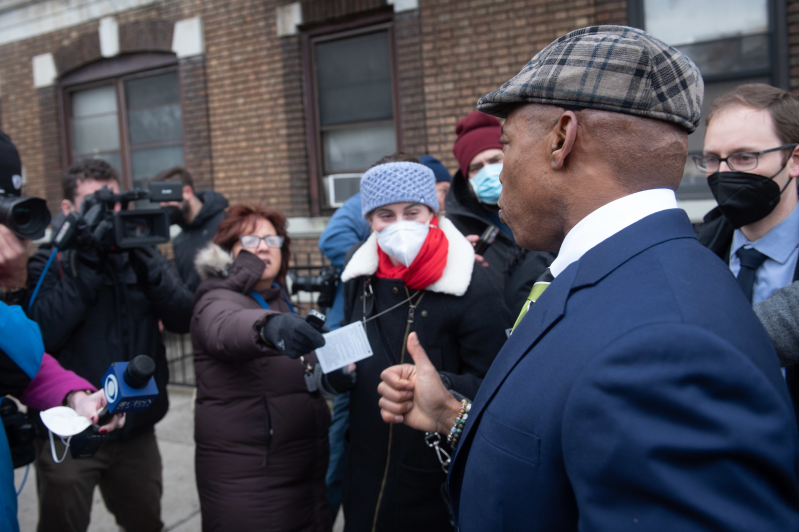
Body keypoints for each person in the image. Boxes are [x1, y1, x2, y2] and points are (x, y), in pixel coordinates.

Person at [377, 25, 799, 531]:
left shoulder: (667, 343)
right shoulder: (621, 272)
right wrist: (452, 414)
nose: (500, 174)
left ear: (562, 138)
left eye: (507, 144)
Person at [335, 155, 511, 531]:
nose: (399, 225)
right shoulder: (359, 273)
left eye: (411, 212)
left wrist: (440, 386)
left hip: (430, 481)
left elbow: (498, 385)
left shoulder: (470, 283)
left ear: (432, 211)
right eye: (385, 215)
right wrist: (333, 372)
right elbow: (350, 338)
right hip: (363, 471)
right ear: (369, 220)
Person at [25, 158, 194, 532]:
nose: (108, 213)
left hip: (136, 430)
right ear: (68, 208)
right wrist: (86, 267)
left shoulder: (142, 255)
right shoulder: (50, 262)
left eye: (114, 203)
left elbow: (184, 319)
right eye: (94, 204)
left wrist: (145, 261)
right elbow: (39, 337)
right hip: (69, 431)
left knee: (145, 523)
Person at [0, 132, 124, 532]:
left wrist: (75, 396)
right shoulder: (49, 261)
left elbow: (23, 363)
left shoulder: (132, 254)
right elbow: (40, 336)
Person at [191, 204, 334, 531]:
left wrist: (330, 375)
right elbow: (226, 327)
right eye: (250, 240)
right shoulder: (215, 297)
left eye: (272, 240)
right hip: (251, 480)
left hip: (302, 473)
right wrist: (269, 327)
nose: (264, 247)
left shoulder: (277, 297)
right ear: (228, 251)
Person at [695, 84, 799, 415]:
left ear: (794, 160)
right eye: (713, 159)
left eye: (744, 157)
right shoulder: (694, 252)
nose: (724, 174)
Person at [446, 110, 555, 315]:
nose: (488, 171)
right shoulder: (453, 230)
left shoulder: (548, 209)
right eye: (476, 167)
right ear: (467, 179)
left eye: (495, 159)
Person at [157, 165, 229, 292]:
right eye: (161, 204)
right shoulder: (179, 241)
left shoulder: (226, 224)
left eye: (167, 201)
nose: (165, 209)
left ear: (187, 193)